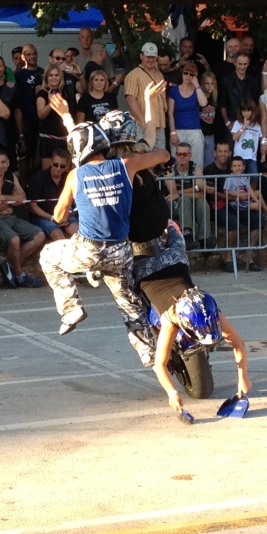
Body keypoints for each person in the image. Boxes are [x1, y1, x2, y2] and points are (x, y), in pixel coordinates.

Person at [40, 91, 169, 353]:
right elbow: (163, 153)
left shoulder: (76, 175)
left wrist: (73, 210)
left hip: (89, 248)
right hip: (121, 250)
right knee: (128, 304)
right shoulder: (126, 164)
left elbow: (59, 216)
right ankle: (149, 353)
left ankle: (71, 308)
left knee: (48, 256)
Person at [134, 222, 250, 417]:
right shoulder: (171, 320)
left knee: (174, 242)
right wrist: (172, 393)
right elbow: (159, 365)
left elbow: (161, 365)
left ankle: (168, 224)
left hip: (173, 262)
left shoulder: (205, 308)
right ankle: (170, 224)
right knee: (126, 296)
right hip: (147, 269)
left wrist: (243, 378)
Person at [0, 149, 45, 288]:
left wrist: (4, 198)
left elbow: (23, 198)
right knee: (14, 239)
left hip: (9, 217)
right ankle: (20, 276)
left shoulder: (11, 176)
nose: (0, 165)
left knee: (39, 235)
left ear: (8, 163)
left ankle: (9, 264)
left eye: (3, 162)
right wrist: (13, 200)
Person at [221, 154, 265, 272]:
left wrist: (257, 201)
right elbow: (226, 191)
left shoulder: (244, 178)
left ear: (244, 167)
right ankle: (228, 255)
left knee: (259, 220)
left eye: (239, 166)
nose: (237, 168)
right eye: (235, 166)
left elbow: (250, 190)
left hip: (244, 204)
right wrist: (239, 195)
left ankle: (248, 255)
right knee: (233, 223)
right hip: (234, 205)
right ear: (231, 168)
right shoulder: (229, 178)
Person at [170, 141, 213, 249]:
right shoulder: (170, 170)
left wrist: (180, 192)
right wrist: (195, 188)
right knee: (184, 199)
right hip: (175, 206)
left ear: (190, 155)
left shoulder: (196, 168)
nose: (182, 157)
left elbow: (201, 194)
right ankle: (186, 234)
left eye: (185, 154)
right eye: (179, 154)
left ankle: (205, 239)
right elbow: (173, 194)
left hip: (194, 204)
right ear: (175, 155)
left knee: (203, 203)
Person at [124, 43, 168, 150]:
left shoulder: (160, 74)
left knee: (159, 156)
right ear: (141, 56)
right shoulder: (133, 75)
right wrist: (143, 121)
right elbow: (130, 99)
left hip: (159, 123)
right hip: (141, 125)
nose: (151, 60)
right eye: (148, 56)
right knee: (143, 153)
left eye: (153, 57)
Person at [28, 148, 77, 241]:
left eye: (62, 166)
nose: (58, 168)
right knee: (58, 235)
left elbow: (75, 203)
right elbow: (32, 206)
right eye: (55, 164)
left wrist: (66, 215)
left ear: (66, 166)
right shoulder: (39, 178)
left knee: (78, 232)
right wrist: (52, 218)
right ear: (51, 162)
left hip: (64, 215)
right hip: (43, 216)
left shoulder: (68, 177)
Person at [35, 65, 75, 170]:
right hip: (49, 140)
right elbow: (41, 115)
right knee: (49, 172)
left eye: (56, 75)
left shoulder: (65, 92)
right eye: (51, 75)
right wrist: (51, 103)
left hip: (65, 139)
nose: (54, 78)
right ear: (46, 78)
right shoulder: (42, 93)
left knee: (65, 172)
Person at [168, 62, 207, 160]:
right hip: (178, 131)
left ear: (196, 76)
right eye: (186, 73)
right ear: (182, 73)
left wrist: (197, 85)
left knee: (197, 162)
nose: (188, 76)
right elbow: (170, 113)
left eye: (191, 74)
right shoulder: (174, 90)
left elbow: (203, 103)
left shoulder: (198, 90)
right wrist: (172, 132)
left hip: (195, 130)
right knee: (177, 161)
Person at [230, 99, 264, 174]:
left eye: (248, 111)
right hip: (239, 157)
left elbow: (261, 140)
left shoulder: (257, 125)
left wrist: (263, 154)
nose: (246, 113)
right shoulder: (237, 123)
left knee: (254, 178)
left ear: (253, 111)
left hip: (252, 157)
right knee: (240, 177)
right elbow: (234, 137)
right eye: (244, 111)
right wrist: (244, 127)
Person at [199, 72, 224, 168]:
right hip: (200, 134)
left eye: (211, 83)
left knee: (209, 163)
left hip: (211, 134)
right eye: (207, 83)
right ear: (202, 84)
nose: (209, 86)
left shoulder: (215, 99)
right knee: (198, 161)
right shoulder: (199, 98)